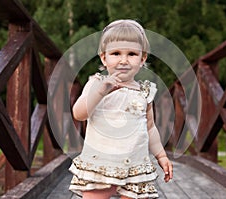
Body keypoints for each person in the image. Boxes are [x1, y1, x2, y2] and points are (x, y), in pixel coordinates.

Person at [69, 19, 173, 199]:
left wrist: (161, 155)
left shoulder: (145, 92)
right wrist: (101, 92)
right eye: (116, 53)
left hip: (135, 167)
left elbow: (150, 127)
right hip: (101, 164)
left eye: (132, 54)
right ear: (104, 57)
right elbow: (79, 114)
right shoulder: (96, 83)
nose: (123, 60)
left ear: (142, 59)